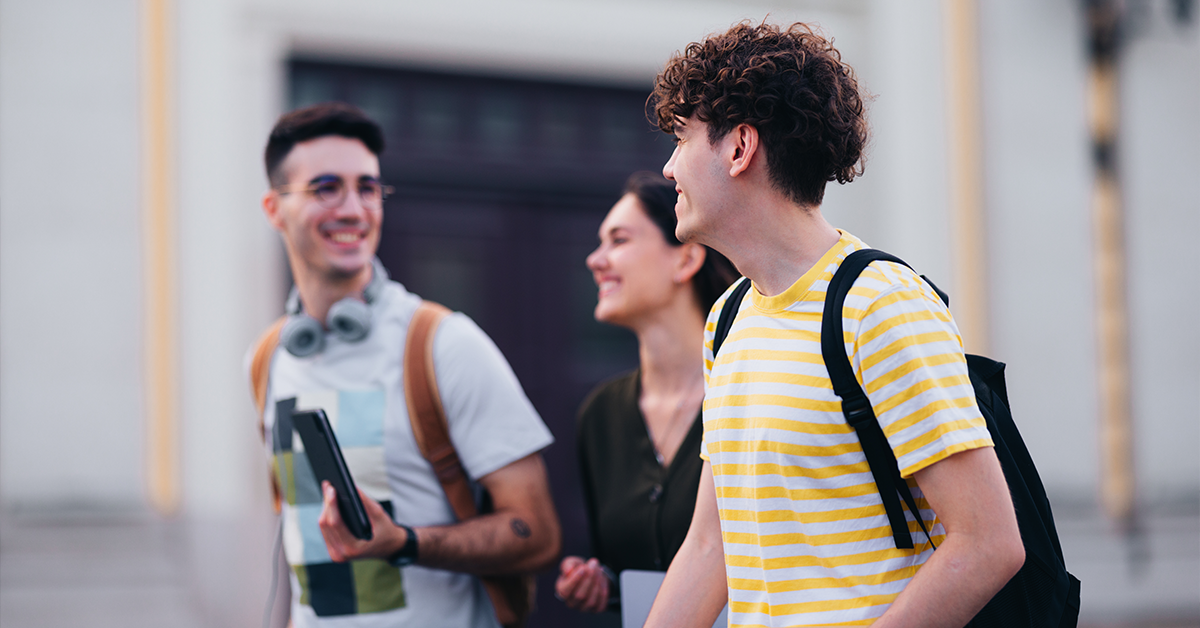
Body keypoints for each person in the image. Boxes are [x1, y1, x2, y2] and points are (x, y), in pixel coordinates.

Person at [643, 22, 1025, 628]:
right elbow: (711, 545)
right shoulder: (728, 318)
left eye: (682, 139)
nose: (667, 169)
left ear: (739, 148)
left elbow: (988, 544)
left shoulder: (879, 304)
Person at [249, 102, 561, 628]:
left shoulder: (444, 344)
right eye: (326, 188)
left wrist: (405, 544)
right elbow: (303, 549)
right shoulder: (268, 359)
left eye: (368, 188)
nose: (354, 209)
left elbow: (537, 532)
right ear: (275, 209)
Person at [553, 172, 738, 614]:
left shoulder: (743, 387)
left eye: (618, 240)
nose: (595, 260)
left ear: (685, 260)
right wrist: (600, 581)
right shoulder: (600, 414)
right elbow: (623, 564)